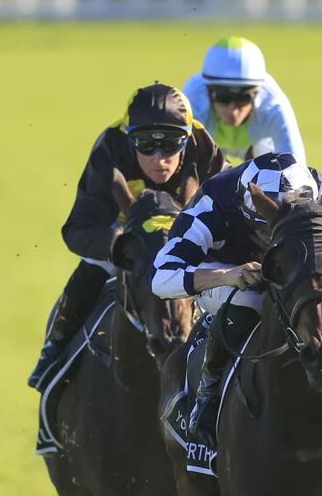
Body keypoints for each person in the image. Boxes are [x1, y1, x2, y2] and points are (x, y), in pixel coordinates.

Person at [150, 152, 322, 445]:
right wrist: (226, 275)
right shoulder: (211, 204)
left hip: (295, 269)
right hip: (227, 271)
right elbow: (161, 278)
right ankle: (208, 396)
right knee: (250, 300)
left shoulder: (318, 189)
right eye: (263, 231)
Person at [29, 83, 224, 388]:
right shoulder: (110, 146)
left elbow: (232, 211)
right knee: (92, 270)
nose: (159, 158)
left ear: (187, 141)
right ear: (129, 139)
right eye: (146, 145)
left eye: (171, 145)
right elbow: (79, 229)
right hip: (129, 239)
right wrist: (117, 246)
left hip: (187, 237)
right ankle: (54, 349)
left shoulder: (203, 147)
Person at [183, 36, 306, 166]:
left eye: (243, 98)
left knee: (273, 175)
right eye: (223, 98)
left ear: (257, 93)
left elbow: (296, 168)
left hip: (258, 143)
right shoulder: (193, 100)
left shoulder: (273, 106)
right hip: (208, 142)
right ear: (208, 91)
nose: (233, 111)